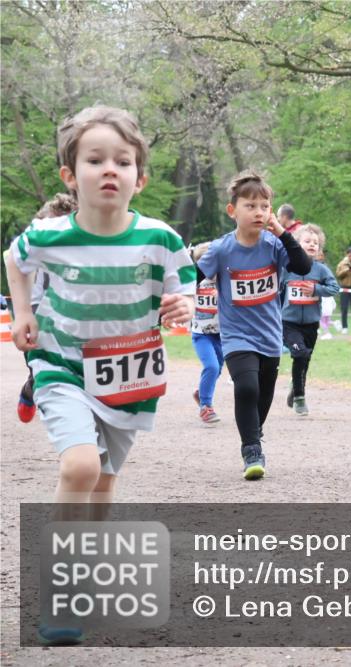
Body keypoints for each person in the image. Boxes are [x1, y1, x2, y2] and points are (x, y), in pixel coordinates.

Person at [4, 106, 195, 644]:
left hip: (128, 380)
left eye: (123, 161)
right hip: (62, 367)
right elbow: (14, 260)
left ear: (140, 177)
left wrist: (183, 307)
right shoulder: (50, 235)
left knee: (106, 482)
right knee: (82, 466)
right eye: (95, 160)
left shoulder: (160, 238)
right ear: (71, 175)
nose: (110, 169)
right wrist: (23, 314)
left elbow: (185, 289)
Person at [197, 171, 312, 480]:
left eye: (264, 205)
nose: (259, 212)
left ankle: (254, 431)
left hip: (270, 336)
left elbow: (303, 266)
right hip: (236, 335)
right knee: (246, 388)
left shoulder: (274, 245)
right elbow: (196, 277)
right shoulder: (222, 249)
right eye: (251, 206)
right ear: (232, 210)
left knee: (262, 395)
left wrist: (283, 232)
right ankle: (251, 450)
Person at [13, 192, 77, 424]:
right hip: (39, 313)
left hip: (76, 318)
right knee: (41, 371)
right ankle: (31, 389)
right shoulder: (32, 248)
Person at [281, 223, 340, 416]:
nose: (312, 245)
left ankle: (295, 385)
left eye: (316, 243)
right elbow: (276, 289)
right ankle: (300, 398)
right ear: (297, 244)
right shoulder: (287, 268)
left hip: (311, 323)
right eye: (307, 241)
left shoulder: (321, 270)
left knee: (304, 359)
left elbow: (334, 288)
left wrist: (316, 289)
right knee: (299, 354)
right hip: (288, 322)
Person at [190, 242, 223, 425]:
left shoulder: (224, 281)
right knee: (211, 367)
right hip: (201, 334)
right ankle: (205, 406)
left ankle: (200, 392)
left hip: (222, 335)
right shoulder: (195, 281)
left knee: (217, 368)